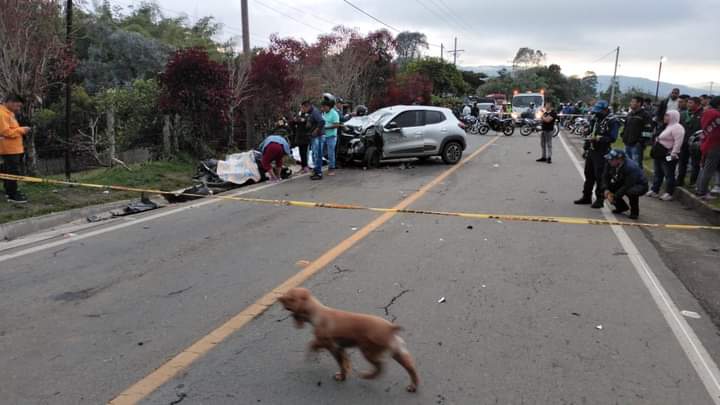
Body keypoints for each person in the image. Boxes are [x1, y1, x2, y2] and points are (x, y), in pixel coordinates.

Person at [574, 100, 620, 208]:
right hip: (592, 149)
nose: (596, 113)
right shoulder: (595, 118)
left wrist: (599, 138)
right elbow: (591, 131)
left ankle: (600, 199)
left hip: (602, 151)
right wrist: (586, 145)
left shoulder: (613, 121)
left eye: (599, 111)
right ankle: (586, 196)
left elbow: (613, 138)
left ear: (605, 110)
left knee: (600, 176)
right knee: (588, 174)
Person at [646, 110, 685, 201]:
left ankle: (669, 193)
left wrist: (673, 153)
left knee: (669, 174)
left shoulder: (677, 128)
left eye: (667, 115)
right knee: (658, 173)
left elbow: (678, 142)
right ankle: (654, 190)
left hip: (668, 155)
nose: (665, 117)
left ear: (673, 116)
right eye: (665, 115)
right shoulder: (667, 126)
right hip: (659, 154)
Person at [0, 94, 32, 204]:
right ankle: (12, 195)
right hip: (9, 149)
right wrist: (22, 130)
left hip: (14, 148)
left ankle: (10, 190)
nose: (18, 109)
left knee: (9, 170)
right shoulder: (2, 114)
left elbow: (12, 128)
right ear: (10, 102)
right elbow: (5, 132)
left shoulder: (9, 113)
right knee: (12, 172)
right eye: (17, 106)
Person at [601, 149, 648, 220]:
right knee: (605, 188)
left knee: (631, 192)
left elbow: (628, 185)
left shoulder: (630, 167)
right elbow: (605, 176)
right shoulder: (609, 163)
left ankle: (634, 212)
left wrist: (614, 197)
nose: (609, 160)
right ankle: (621, 207)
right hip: (623, 181)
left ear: (619, 160)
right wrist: (606, 189)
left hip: (639, 184)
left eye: (611, 159)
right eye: (608, 159)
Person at [696, 96, 720, 200]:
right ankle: (702, 192)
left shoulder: (706, 112)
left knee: (703, 167)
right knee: (708, 170)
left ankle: (699, 188)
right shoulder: (717, 115)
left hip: (705, 142)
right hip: (714, 145)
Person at [678, 97, 704, 187]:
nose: (689, 104)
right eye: (688, 102)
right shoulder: (683, 114)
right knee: (682, 162)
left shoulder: (702, 114)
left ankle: (693, 182)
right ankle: (680, 180)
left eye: (691, 103)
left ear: (697, 104)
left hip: (695, 144)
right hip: (683, 142)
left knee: (695, 163)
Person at [621, 96, 652, 168]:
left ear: (639, 103)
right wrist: (623, 135)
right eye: (631, 101)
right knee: (627, 164)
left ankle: (638, 179)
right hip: (627, 143)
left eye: (633, 102)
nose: (630, 103)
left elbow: (648, 130)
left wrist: (640, 142)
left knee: (636, 165)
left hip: (636, 145)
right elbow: (625, 127)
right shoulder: (630, 114)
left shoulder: (645, 115)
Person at [301, 100, 325, 181]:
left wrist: (316, 130)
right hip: (314, 136)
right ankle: (316, 170)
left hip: (318, 136)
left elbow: (322, 121)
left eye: (303, 108)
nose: (302, 110)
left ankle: (319, 173)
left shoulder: (315, 112)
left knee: (317, 154)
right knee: (315, 154)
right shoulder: (310, 113)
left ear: (307, 106)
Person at [320, 94, 340, 177]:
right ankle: (319, 167)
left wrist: (326, 127)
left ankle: (332, 168)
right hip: (323, 135)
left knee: (331, 153)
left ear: (329, 106)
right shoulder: (323, 113)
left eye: (325, 107)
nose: (323, 108)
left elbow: (337, 125)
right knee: (320, 152)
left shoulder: (334, 114)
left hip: (331, 136)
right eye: (322, 107)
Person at [290, 108, 311, 173]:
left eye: (302, 108)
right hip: (299, 137)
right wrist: (295, 120)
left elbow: (308, 124)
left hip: (305, 137)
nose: (301, 109)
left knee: (305, 152)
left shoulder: (308, 116)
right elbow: (292, 124)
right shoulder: (298, 116)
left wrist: (302, 120)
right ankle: (303, 166)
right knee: (301, 152)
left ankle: (306, 166)